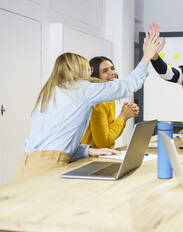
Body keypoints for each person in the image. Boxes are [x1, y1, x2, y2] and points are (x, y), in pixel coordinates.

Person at [14, 30, 162, 180]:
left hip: (25, 165)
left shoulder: (50, 92)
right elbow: (128, 86)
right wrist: (147, 56)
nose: (90, 72)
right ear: (78, 69)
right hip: (48, 167)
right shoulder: (81, 89)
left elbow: (55, 142)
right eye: (88, 68)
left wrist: (88, 151)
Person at [81, 56, 139, 148]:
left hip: (101, 155)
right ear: (95, 77)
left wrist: (123, 114)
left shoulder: (108, 98)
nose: (112, 73)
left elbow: (109, 134)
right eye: (105, 71)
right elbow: (103, 143)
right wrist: (123, 117)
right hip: (89, 159)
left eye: (112, 68)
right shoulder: (99, 102)